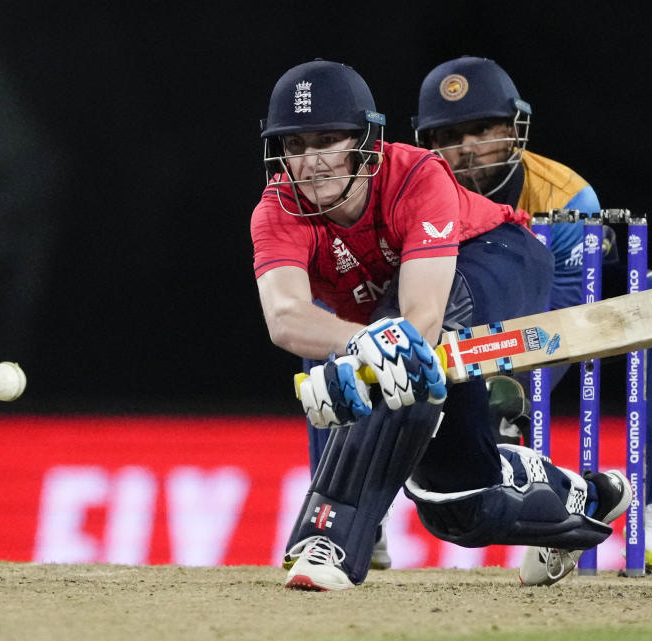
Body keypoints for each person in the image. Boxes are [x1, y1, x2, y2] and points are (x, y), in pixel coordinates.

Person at [251, 59, 632, 591]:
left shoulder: (415, 172)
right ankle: (588, 497)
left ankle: (330, 540)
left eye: (328, 140)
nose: (312, 162)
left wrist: (363, 352)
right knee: (455, 504)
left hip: (500, 260)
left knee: (395, 348)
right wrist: (359, 343)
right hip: (404, 326)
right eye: (295, 146)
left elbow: (423, 319)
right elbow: (286, 316)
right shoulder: (276, 210)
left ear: (365, 140)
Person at [413, 56, 652, 576]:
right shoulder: (411, 194)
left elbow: (567, 318)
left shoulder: (566, 196)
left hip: (552, 336)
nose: (464, 150)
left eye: (482, 129)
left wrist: (506, 395)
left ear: (513, 129)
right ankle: (355, 516)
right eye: (447, 134)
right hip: (446, 347)